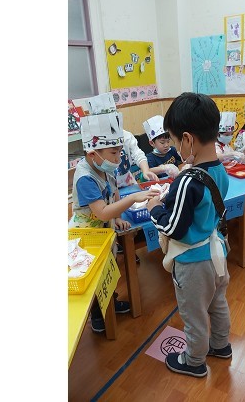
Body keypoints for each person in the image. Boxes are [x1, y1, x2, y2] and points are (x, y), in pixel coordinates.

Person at [146, 92, 232, 378]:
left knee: (194, 314)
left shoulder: (187, 180)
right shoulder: (220, 169)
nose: (173, 146)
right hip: (217, 252)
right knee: (218, 303)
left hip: (193, 262)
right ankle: (220, 345)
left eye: (173, 140)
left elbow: (173, 228)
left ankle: (194, 361)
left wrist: (155, 209)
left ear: (187, 139)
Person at [70, 110, 158, 333]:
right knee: (95, 277)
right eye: (114, 153)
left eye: (120, 152)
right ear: (93, 154)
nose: (118, 158)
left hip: (105, 230)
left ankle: (111, 302)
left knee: (108, 272)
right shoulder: (85, 178)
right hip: (87, 236)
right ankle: (98, 316)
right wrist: (132, 199)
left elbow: (114, 192)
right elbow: (101, 212)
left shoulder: (105, 165)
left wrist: (118, 217)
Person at [143, 114, 182, 179]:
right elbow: (148, 171)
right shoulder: (150, 158)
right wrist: (163, 168)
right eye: (162, 142)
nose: (166, 145)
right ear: (152, 143)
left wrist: (188, 164)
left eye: (168, 141)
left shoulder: (172, 150)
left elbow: (183, 158)